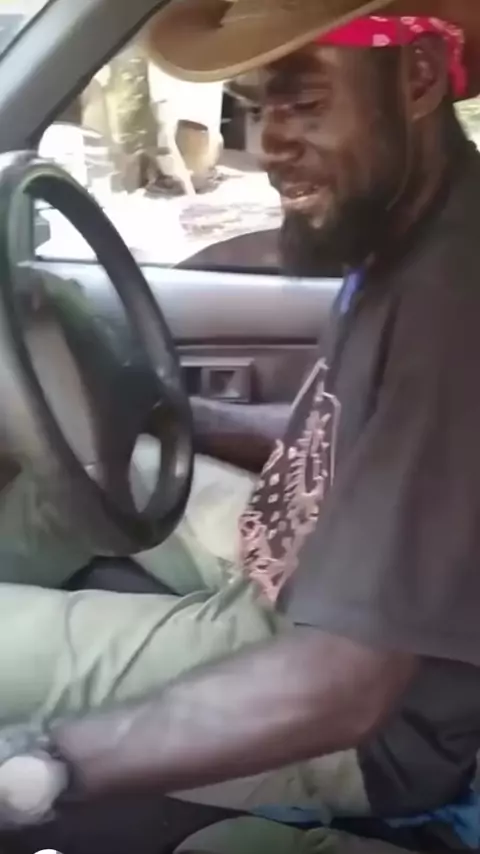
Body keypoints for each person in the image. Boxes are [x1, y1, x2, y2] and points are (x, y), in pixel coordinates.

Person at [1, 0, 480, 850]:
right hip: (301, 563)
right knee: (110, 459)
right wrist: (167, 414)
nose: (267, 145)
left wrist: (52, 764)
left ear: (416, 78)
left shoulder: (452, 310)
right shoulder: (411, 230)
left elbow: (344, 684)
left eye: (305, 103)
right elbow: (340, 436)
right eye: (258, 108)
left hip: (363, 716)